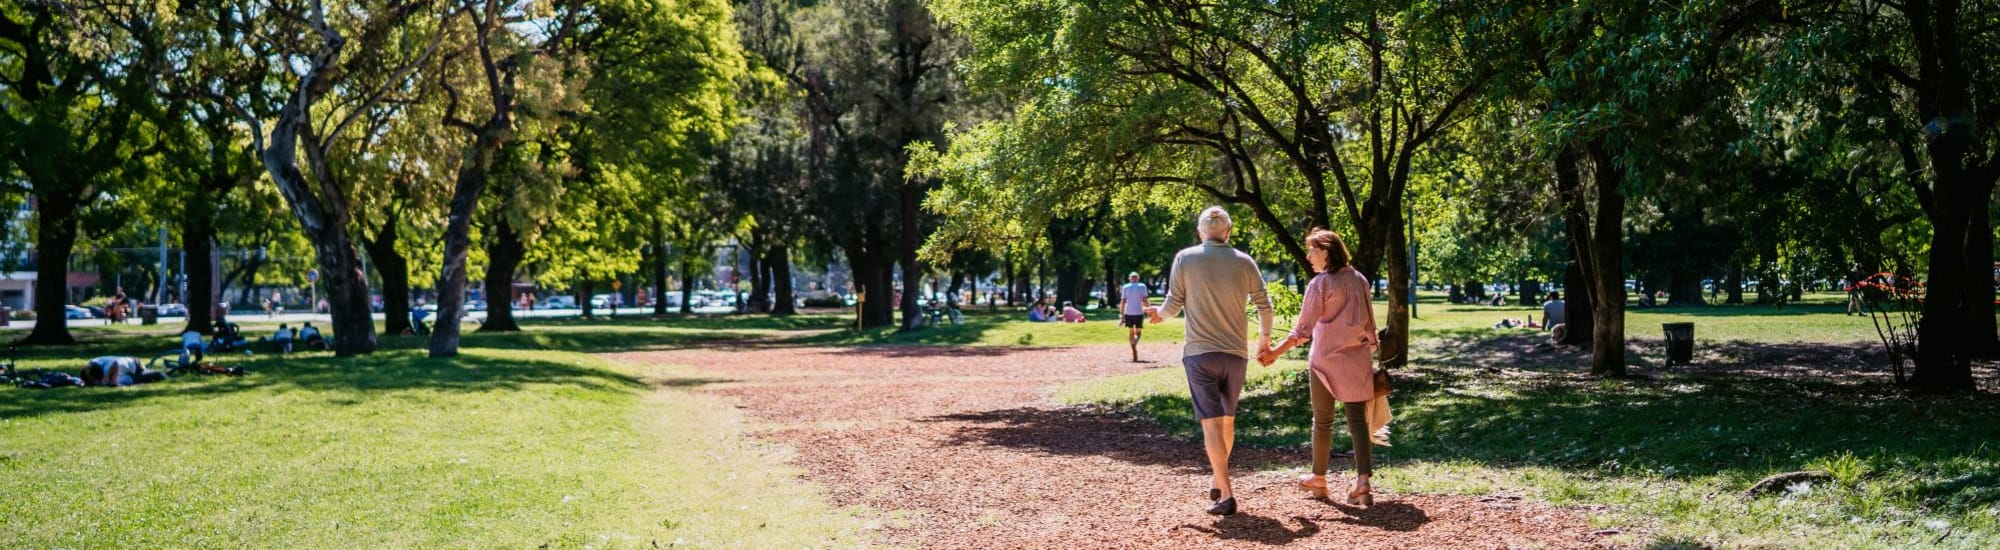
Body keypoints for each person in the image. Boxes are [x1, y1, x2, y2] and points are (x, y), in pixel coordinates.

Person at [1144, 206, 1276, 516]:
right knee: (1227, 420)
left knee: (1211, 424)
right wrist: (1265, 342)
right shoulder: (1245, 262)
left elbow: (1173, 303)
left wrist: (1159, 316)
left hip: (1200, 354)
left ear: (1200, 232)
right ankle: (1219, 479)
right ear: (1228, 232)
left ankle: (1226, 493)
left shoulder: (1185, 258)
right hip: (1235, 354)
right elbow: (1264, 306)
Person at [1258, 228, 1380, 508]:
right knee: (1358, 422)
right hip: (1357, 360)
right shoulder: (1360, 280)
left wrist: (1274, 352)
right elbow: (1371, 328)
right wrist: (1365, 351)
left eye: (1312, 250)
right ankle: (1363, 483)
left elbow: (1302, 331)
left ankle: (1319, 479)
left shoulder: (1320, 284)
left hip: (1324, 362)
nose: (1308, 255)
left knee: (1322, 421)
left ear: (1326, 251)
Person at [1120, 273, 1151, 362]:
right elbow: (1145, 300)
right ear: (1138, 278)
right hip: (1138, 312)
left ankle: (1133, 350)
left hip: (1128, 312)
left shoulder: (1125, 287)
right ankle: (1135, 343)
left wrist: (1122, 315)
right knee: (1138, 333)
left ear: (1129, 278)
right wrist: (1149, 311)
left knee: (1131, 331)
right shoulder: (1142, 286)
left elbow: (1123, 301)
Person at [82, 356, 156, 387]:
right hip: (129, 363)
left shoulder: (106, 370)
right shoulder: (92, 362)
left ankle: (163, 374)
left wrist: (112, 381)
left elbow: (115, 363)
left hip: (136, 367)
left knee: (148, 377)